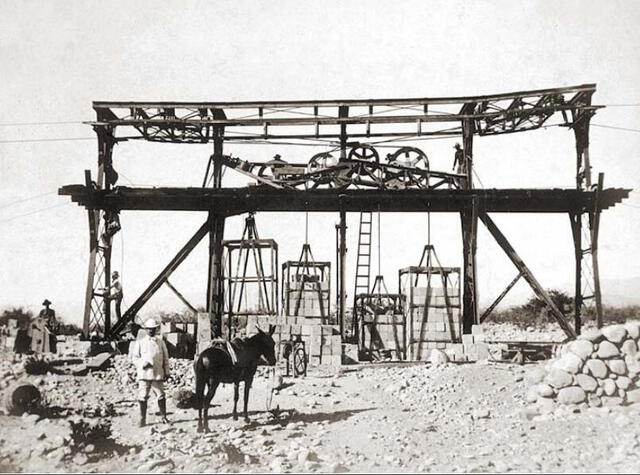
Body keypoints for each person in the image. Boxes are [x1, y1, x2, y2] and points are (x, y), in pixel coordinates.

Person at [129, 318, 170, 427]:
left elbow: (166, 358)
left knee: (161, 395)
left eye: (153, 329)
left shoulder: (161, 342)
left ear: (156, 329)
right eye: (149, 329)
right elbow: (134, 358)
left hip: (157, 374)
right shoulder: (140, 342)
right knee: (143, 396)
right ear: (146, 330)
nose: (151, 331)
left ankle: (164, 417)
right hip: (144, 374)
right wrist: (143, 363)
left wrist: (167, 371)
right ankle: (142, 419)